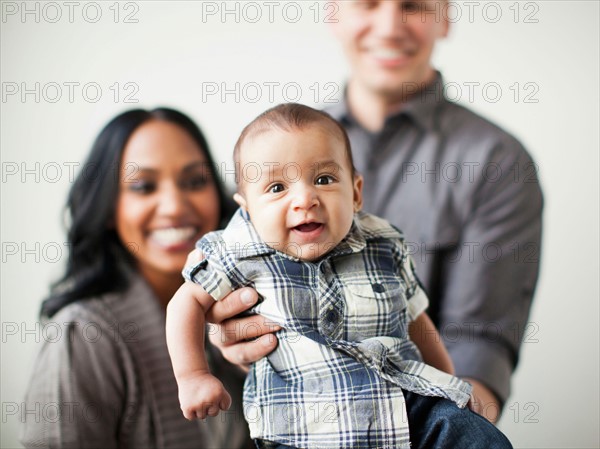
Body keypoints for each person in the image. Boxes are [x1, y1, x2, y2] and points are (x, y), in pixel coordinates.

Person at [207, 0, 544, 424]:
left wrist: (445, 427)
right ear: (333, 12)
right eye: (368, 3)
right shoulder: (268, 148)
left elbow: (479, 346)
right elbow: (222, 297)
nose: (389, 27)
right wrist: (234, 342)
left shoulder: (498, 162)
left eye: (414, 5)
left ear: (445, 16)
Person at [166, 103, 513, 449]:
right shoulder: (237, 251)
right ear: (247, 209)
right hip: (304, 424)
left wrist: (447, 383)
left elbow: (416, 319)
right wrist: (193, 375)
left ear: (356, 192)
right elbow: (186, 302)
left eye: (324, 179)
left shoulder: (384, 243)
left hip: (406, 406)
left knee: (476, 435)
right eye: (276, 188)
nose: (305, 199)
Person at [20, 108, 256, 448]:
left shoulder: (243, 306)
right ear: (107, 210)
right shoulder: (83, 337)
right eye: (143, 186)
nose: (174, 206)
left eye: (195, 181)